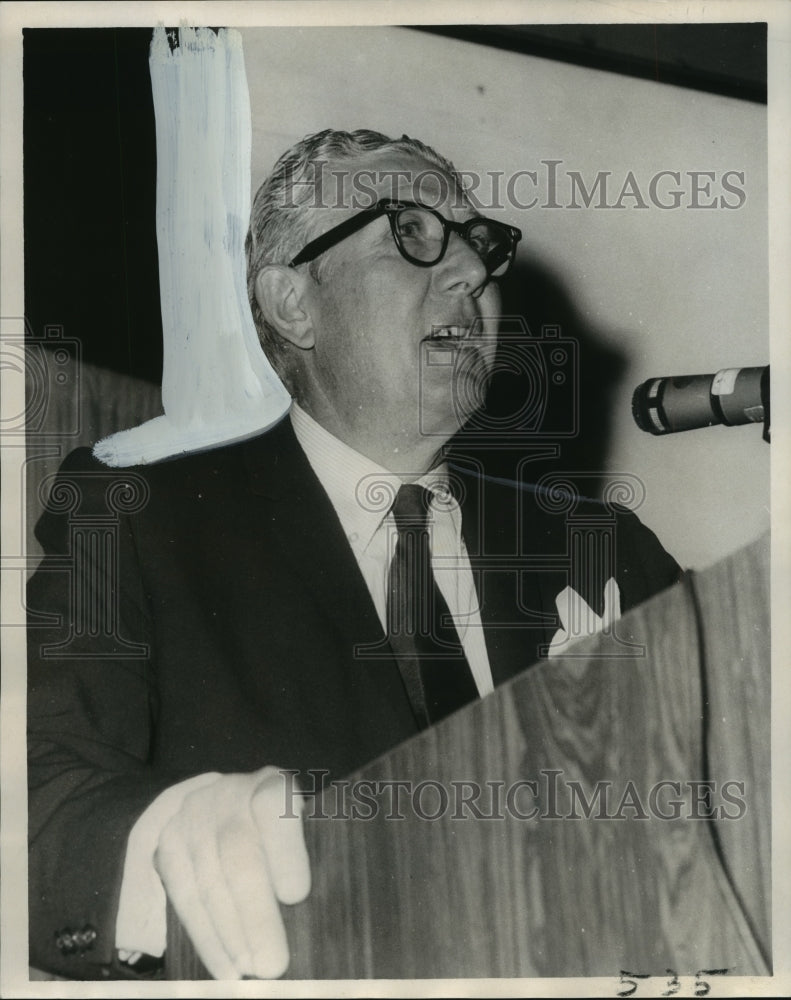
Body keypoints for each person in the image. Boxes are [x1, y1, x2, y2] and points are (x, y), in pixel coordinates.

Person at [27, 129, 682, 980]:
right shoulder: (135, 522)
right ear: (293, 302)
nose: (472, 274)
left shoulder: (603, 551)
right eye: (412, 233)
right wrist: (166, 833)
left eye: (480, 246)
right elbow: (31, 791)